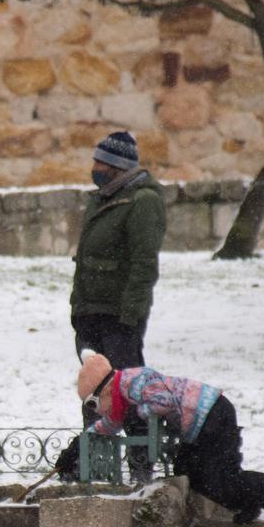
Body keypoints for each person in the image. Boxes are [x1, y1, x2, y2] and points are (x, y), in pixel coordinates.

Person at [76, 351, 264, 527]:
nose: (96, 411)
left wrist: (137, 413)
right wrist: (83, 440)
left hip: (211, 414)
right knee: (193, 474)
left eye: (92, 404)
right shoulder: (122, 390)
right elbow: (112, 423)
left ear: (104, 391)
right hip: (203, 418)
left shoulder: (132, 382)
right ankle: (248, 503)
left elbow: (163, 402)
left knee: (220, 478)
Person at [70, 131, 166, 426]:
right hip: (90, 312)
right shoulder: (101, 200)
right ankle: (95, 459)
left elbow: (144, 263)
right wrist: (78, 307)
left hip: (119, 317)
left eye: (101, 162)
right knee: (94, 391)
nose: (95, 168)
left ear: (117, 166)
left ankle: (140, 462)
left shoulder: (142, 201)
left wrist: (130, 315)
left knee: (129, 391)